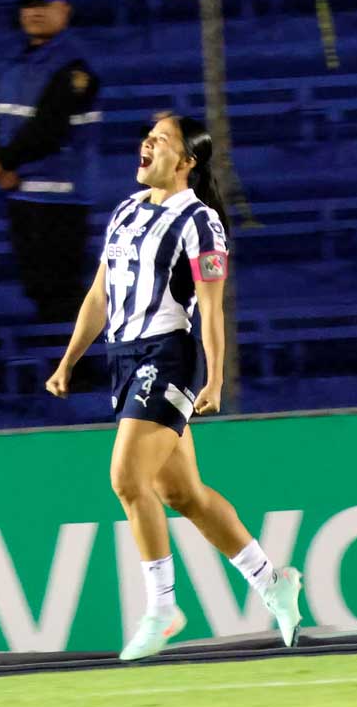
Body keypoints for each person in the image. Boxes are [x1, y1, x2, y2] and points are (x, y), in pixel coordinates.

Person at [44, 113, 305, 661]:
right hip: (124, 358)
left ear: (186, 161)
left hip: (168, 357)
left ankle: (162, 608)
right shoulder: (125, 212)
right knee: (182, 494)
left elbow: (211, 307)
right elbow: (99, 295)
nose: (148, 143)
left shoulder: (201, 221)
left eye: (161, 140)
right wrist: (70, 359)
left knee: (125, 477)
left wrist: (215, 375)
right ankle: (272, 581)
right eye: (149, 136)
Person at [0, 0, 101, 323]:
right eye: (29, 6)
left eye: (44, 5)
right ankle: (61, 373)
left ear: (64, 11)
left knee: (61, 291)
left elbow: (50, 127)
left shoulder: (75, 67)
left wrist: (3, 163)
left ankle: (79, 375)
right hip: (22, 194)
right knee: (38, 290)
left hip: (60, 197)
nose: (34, 13)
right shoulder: (14, 65)